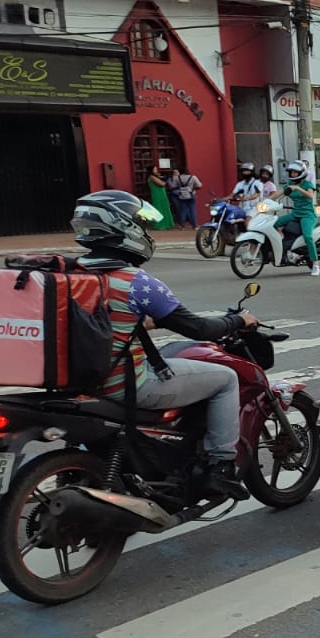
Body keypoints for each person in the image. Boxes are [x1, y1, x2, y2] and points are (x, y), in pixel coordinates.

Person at [70, 190, 260, 501]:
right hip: (124, 383)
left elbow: (98, 321)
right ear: (124, 229)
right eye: (140, 225)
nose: (144, 232)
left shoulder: (68, 273)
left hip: (78, 381)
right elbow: (198, 328)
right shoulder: (137, 282)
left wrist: (146, 322)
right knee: (226, 379)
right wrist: (239, 320)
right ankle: (218, 468)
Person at [270, 161, 320, 276]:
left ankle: (315, 264)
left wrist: (297, 188)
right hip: (295, 213)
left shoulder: (307, 184)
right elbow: (276, 195)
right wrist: (265, 202)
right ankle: (284, 245)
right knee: (273, 223)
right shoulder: (289, 184)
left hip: (307, 215)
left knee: (308, 236)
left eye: (295, 172)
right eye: (291, 172)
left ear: (301, 173)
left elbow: (310, 195)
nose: (293, 174)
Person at [145, 164, 176, 230]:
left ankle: (167, 224)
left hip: (161, 194)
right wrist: (164, 179)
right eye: (155, 169)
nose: (156, 171)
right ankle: (160, 225)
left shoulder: (155, 176)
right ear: (151, 171)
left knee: (165, 208)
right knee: (159, 209)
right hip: (157, 195)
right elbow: (162, 184)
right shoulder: (152, 177)